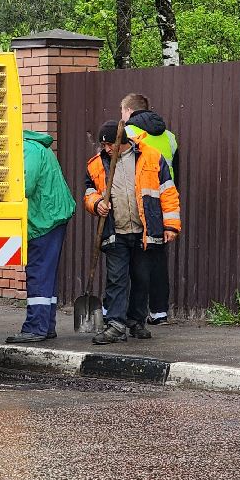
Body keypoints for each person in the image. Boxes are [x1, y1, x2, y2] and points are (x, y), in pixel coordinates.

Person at [84, 119, 181, 344]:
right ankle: (116, 325)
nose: (106, 149)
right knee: (117, 279)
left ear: (122, 141)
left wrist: (171, 226)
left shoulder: (152, 157)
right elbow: (89, 192)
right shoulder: (96, 164)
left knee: (141, 279)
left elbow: (168, 192)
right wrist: (96, 203)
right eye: (103, 145)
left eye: (109, 144)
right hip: (115, 231)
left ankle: (136, 321)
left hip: (144, 231)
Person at [6, 129, 76, 343]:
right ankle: (46, 326)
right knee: (46, 274)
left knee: (38, 272)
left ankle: (35, 327)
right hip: (50, 216)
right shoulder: (34, 147)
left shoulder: (27, 149)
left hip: (44, 219)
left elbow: (24, 185)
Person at [120, 93, 179, 324]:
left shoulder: (128, 135)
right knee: (158, 259)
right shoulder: (169, 137)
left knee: (133, 261)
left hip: (138, 204)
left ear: (128, 111)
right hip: (164, 202)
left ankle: (132, 313)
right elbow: (174, 174)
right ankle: (159, 312)